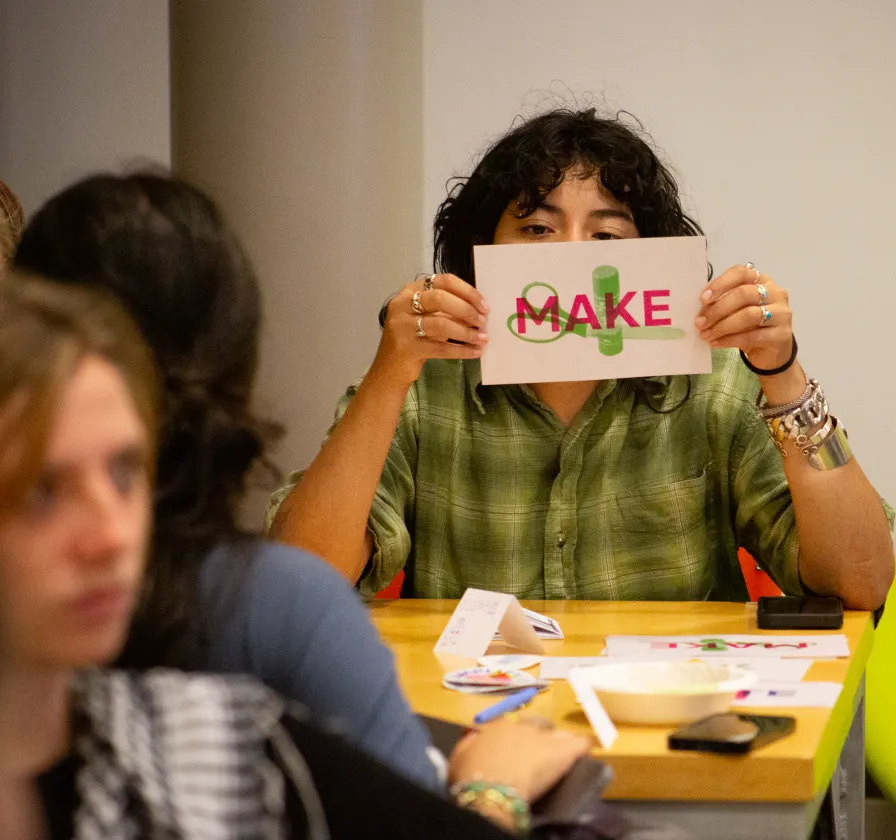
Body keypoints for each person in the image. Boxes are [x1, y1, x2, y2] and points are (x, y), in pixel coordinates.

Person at [11, 173, 588, 804]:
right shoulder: (270, 605)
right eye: (42, 487)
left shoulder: (260, 607)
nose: (106, 536)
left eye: (122, 470)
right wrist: (492, 791)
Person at [267, 107, 896, 608]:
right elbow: (302, 584)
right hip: (479, 726)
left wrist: (782, 372)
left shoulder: (712, 384)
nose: (571, 255)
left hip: (672, 723)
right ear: (481, 253)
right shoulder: (425, 385)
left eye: (606, 235)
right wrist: (388, 374)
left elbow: (860, 581)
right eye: (538, 229)